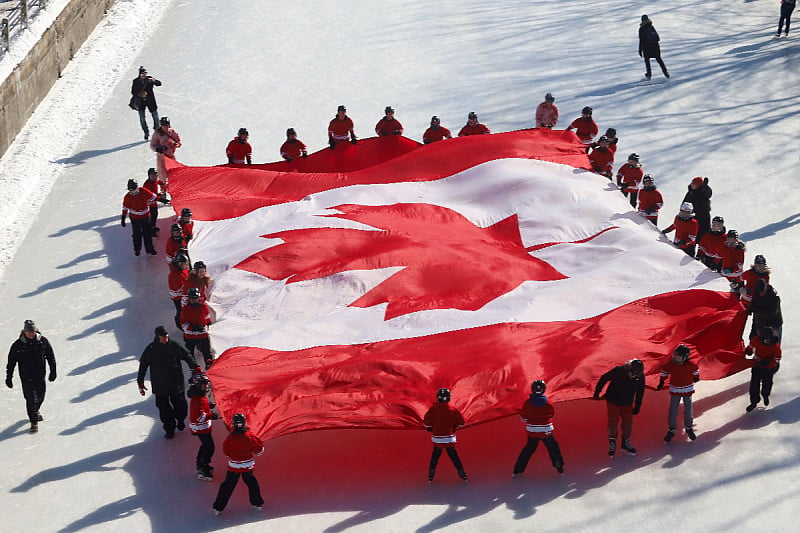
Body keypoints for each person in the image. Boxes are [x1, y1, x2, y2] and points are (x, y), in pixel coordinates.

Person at [136, 325, 198, 439]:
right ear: (157, 337)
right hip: (160, 385)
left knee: (180, 406)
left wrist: (195, 367)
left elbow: (187, 355)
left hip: (176, 383)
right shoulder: (151, 349)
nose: (166, 338)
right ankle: (169, 428)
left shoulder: (174, 345)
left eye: (167, 336)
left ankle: (180, 419)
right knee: (164, 409)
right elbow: (143, 365)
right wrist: (140, 382)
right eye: (163, 337)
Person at [5, 320, 56, 433]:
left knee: (40, 397)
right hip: (26, 377)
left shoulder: (42, 341)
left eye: (33, 331)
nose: (31, 334)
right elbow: (11, 362)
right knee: (31, 399)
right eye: (29, 332)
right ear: (24, 332)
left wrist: (53, 371)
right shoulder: (18, 345)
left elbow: (50, 356)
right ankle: (34, 422)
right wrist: (9, 377)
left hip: (40, 376)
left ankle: (35, 411)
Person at [212, 413, 265, 515]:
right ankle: (257, 503)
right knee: (252, 483)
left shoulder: (230, 438)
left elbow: (226, 452)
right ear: (244, 423)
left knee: (228, 485)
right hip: (247, 466)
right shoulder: (250, 437)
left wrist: (232, 455)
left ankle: (218, 507)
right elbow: (259, 450)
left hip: (234, 466)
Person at [512, 380, 565, 477]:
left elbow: (524, 417)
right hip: (546, 431)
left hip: (533, 432)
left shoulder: (528, 403)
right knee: (553, 448)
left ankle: (518, 470)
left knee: (528, 449)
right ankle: (559, 466)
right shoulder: (548, 402)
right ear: (544, 390)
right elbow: (552, 415)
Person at [593, 359, 645, 457]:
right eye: (632, 374)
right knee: (613, 423)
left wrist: (637, 406)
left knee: (628, 425)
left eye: (636, 375)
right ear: (628, 369)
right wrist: (597, 392)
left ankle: (625, 443)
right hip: (613, 402)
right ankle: (612, 443)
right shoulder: (619, 370)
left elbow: (640, 392)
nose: (633, 377)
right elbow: (604, 378)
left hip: (627, 403)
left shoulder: (640, 376)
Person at [423, 388, 468, 483]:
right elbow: (462, 423)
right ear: (449, 398)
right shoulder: (453, 409)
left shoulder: (433, 409)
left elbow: (426, 424)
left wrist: (433, 426)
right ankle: (462, 474)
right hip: (450, 439)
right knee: (453, 456)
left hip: (437, 439)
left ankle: (431, 474)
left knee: (435, 455)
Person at [657, 344, 699, 442]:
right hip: (675, 390)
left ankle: (688, 427)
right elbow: (664, 371)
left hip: (687, 390)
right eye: (675, 356)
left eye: (678, 357)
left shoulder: (690, 365)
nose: (676, 358)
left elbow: (695, 370)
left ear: (685, 357)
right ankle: (672, 429)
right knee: (673, 410)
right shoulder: (671, 364)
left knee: (688, 409)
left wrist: (696, 377)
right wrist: (661, 382)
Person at [188, 372, 218, 480]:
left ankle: (201, 463)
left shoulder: (200, 396)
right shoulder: (197, 399)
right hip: (200, 428)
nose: (206, 387)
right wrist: (212, 416)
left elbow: (203, 404)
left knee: (206, 445)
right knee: (209, 447)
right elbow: (199, 416)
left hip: (203, 427)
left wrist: (210, 405)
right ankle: (202, 466)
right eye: (204, 385)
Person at [744, 327, 782, 412]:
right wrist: (748, 351)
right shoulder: (756, 340)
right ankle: (754, 401)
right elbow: (751, 346)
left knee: (767, 382)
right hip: (757, 365)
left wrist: (768, 362)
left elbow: (777, 359)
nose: (766, 342)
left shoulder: (776, 346)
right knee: (754, 384)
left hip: (769, 368)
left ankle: (765, 395)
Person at [121, 178, 157, 256]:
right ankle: (137, 249)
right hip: (135, 218)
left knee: (147, 233)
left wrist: (163, 200)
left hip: (145, 217)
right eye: (131, 191)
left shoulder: (143, 191)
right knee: (136, 234)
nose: (133, 192)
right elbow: (125, 208)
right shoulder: (127, 197)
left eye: (134, 190)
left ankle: (150, 250)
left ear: (137, 187)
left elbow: (153, 197)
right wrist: (123, 218)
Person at [181, 287, 214, 369]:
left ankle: (209, 366)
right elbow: (183, 323)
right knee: (189, 354)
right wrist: (193, 328)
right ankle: (194, 369)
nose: (194, 300)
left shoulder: (203, 306)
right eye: (192, 298)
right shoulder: (186, 310)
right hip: (190, 336)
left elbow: (207, 316)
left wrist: (208, 323)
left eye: (196, 298)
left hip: (202, 335)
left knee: (207, 352)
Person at [131, 66, 161, 140]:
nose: (144, 76)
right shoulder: (136, 81)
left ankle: (157, 130)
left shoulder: (149, 79)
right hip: (141, 102)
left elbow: (159, 84)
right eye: (142, 74)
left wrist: (154, 81)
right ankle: (146, 132)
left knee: (155, 116)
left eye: (145, 74)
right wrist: (139, 94)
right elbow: (133, 92)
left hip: (151, 101)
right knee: (142, 118)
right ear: (139, 74)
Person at [639, 15, 669, 80]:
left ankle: (649, 75)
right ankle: (665, 72)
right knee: (659, 60)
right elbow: (657, 38)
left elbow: (641, 40)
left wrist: (640, 50)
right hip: (655, 47)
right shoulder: (651, 26)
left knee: (647, 61)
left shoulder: (641, 29)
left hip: (647, 48)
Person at [683, 176, 712, 241]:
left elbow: (704, 209)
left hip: (702, 220)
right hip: (690, 218)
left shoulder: (703, 194)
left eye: (694, 184)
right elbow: (684, 203)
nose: (692, 185)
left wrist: (705, 187)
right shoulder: (690, 193)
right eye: (692, 183)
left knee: (701, 238)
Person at [142, 167, 169, 235]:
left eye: (156, 175)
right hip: (149, 204)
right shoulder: (146, 185)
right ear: (149, 176)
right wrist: (159, 196)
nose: (155, 177)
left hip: (154, 203)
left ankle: (152, 227)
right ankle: (150, 230)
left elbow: (158, 182)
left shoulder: (155, 181)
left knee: (154, 215)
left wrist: (162, 183)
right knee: (151, 217)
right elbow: (149, 196)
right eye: (153, 175)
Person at [168, 253, 189, 328]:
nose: (185, 265)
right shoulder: (174, 275)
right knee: (180, 311)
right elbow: (178, 287)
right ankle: (179, 324)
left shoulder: (184, 269)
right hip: (177, 297)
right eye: (184, 264)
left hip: (183, 295)